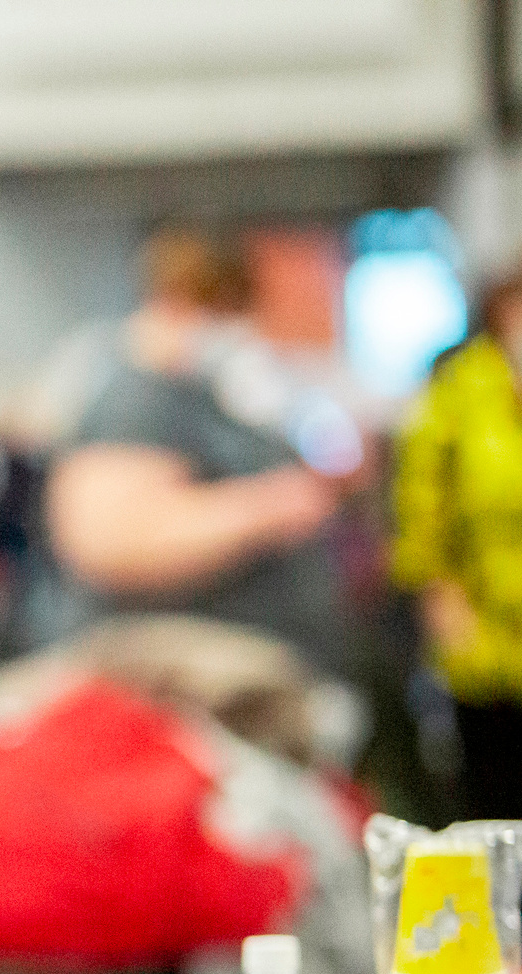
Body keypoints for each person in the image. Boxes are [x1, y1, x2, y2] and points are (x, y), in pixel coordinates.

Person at [46, 228, 353, 678]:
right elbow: (108, 541)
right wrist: (273, 505)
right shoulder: (138, 397)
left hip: (252, 669)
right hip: (168, 678)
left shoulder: (212, 389)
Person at [391, 252, 522, 959]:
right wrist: (445, 604)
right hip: (492, 661)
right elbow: (420, 520)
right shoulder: (460, 397)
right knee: (506, 841)